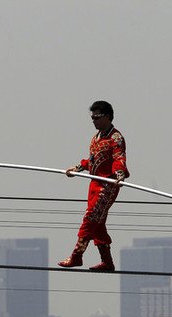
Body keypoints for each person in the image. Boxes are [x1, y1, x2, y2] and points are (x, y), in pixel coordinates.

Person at [57, 100, 129, 271]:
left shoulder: (116, 138)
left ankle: (76, 256)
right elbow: (93, 161)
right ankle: (107, 262)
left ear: (108, 117)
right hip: (94, 184)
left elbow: (119, 158)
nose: (94, 121)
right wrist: (78, 168)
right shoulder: (95, 138)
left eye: (97, 117)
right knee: (98, 223)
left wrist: (119, 174)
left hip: (108, 185)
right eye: (92, 117)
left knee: (90, 218)